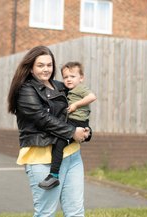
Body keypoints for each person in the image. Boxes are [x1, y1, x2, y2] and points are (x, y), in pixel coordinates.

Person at [7, 46, 89, 217]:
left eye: (49, 65)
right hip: (42, 158)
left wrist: (86, 130)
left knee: (76, 212)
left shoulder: (61, 86)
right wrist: (72, 132)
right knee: (45, 213)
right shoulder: (25, 90)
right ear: (31, 67)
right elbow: (42, 118)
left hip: (72, 156)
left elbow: (76, 108)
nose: (46, 69)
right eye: (40, 65)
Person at [38, 61, 97, 190]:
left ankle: (53, 175)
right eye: (65, 77)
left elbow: (92, 97)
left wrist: (76, 105)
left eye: (72, 76)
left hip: (77, 121)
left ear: (81, 78)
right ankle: (53, 174)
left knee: (59, 143)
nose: (68, 79)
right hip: (72, 121)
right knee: (59, 141)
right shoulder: (69, 90)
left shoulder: (81, 88)